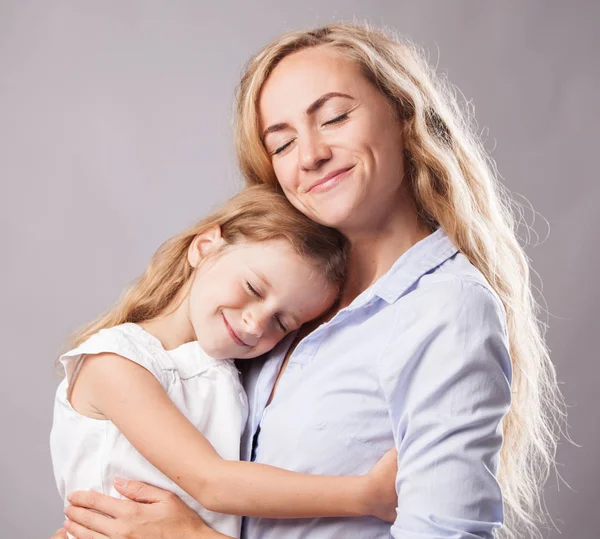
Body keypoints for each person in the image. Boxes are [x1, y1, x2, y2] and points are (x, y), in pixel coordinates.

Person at [54, 22, 562, 539]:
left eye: (336, 117)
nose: (310, 155)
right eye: (281, 143)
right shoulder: (287, 301)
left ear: (404, 116)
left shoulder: (444, 309)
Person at [50, 185, 399, 539]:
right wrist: (366, 495)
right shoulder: (115, 363)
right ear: (204, 248)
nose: (255, 323)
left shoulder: (228, 376)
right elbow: (211, 482)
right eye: (253, 289)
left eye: (282, 322)